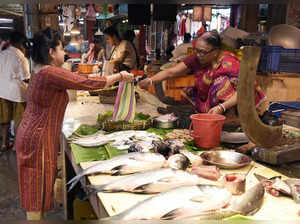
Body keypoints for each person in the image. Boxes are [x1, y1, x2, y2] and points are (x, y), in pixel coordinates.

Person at [15, 28, 133, 220]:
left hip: (33, 134)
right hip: (38, 138)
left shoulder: (40, 70)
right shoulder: (49, 73)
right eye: (61, 48)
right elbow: (87, 82)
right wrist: (120, 77)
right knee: (36, 192)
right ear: (51, 52)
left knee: (37, 187)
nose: (65, 52)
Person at [139, 31, 272, 124]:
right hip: (212, 98)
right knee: (190, 90)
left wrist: (222, 108)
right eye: (197, 50)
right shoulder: (198, 58)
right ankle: (209, 113)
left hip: (240, 101)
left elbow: (243, 91)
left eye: (203, 52)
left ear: (215, 52)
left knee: (221, 84)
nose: (198, 55)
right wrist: (150, 81)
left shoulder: (229, 63)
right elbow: (171, 72)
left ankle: (231, 118)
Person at [0, 31, 30, 154]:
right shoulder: (21, 57)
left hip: (2, 91)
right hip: (17, 93)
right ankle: (15, 146)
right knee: (19, 120)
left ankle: (4, 143)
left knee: (4, 119)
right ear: (20, 43)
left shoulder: (2, 54)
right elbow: (26, 78)